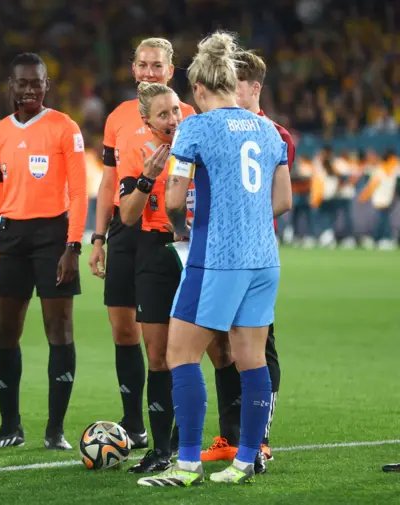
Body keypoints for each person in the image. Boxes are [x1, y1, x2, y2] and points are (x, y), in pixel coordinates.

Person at [138, 31, 292, 487]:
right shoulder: (268, 129)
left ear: (199, 89)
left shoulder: (196, 126)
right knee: (252, 359)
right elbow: (281, 199)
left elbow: (173, 197)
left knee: (179, 354)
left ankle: (186, 465)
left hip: (216, 258)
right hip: (264, 259)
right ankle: (245, 460)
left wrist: (182, 229)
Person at [88, 38, 196, 449]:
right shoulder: (117, 118)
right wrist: (98, 237)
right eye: (143, 65)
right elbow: (109, 181)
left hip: (169, 232)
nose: (149, 72)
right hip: (126, 225)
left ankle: (174, 432)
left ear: (171, 71)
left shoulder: (188, 117)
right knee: (123, 329)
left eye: (158, 66)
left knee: (167, 338)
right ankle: (133, 423)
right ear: (133, 69)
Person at [0, 53, 88, 450]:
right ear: (10, 85)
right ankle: (10, 427)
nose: (29, 89)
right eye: (22, 83)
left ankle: (55, 430)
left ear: (46, 86)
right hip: (9, 238)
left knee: (59, 330)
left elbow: (78, 191)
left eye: (36, 83)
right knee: (5, 332)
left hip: (53, 236)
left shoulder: (64, 127)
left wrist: (73, 245)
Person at [198, 49, 297, 474]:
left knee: (257, 345)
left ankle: (261, 439)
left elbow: (281, 201)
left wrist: (240, 219)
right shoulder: (217, 128)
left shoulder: (275, 134)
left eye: (231, 81)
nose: (224, 89)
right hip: (216, 255)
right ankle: (231, 435)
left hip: (254, 255)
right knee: (221, 345)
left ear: (253, 87)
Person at [116, 81, 194, 473]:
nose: (173, 120)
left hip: (197, 249)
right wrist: (148, 177)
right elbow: (128, 216)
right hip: (155, 252)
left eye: (176, 110)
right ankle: (161, 449)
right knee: (159, 355)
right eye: (163, 114)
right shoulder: (134, 149)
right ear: (146, 118)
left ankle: (198, 441)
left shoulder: (196, 133)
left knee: (214, 350)